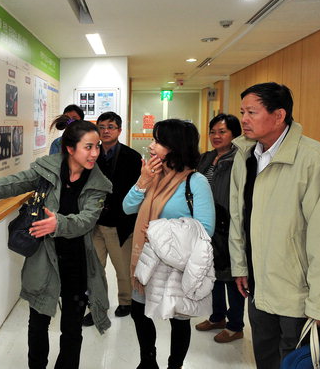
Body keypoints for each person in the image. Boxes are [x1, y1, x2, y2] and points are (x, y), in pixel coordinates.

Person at [0, 120, 112, 369]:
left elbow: (87, 220)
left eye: (97, 146)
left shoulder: (98, 183)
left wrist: (58, 224)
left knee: (72, 328)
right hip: (43, 259)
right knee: (38, 323)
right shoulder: (47, 170)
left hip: (77, 261)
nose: (95, 153)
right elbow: (15, 182)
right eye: (88, 147)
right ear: (70, 148)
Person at [228, 82, 320, 367]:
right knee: (265, 358)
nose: (244, 119)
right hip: (258, 288)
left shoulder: (315, 159)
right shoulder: (245, 155)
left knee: (295, 361)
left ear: (279, 116)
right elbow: (239, 216)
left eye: (252, 112)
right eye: (242, 112)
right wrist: (240, 266)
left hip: (297, 294)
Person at [123, 119, 215, 369]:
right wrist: (142, 181)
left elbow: (205, 229)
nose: (151, 146)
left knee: (178, 319)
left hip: (176, 265)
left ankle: (175, 365)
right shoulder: (152, 175)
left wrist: (159, 231)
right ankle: (148, 360)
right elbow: (128, 207)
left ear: (175, 147)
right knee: (139, 312)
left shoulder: (195, 181)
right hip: (147, 260)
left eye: (158, 141)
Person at [82, 112, 142, 327]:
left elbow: (138, 190)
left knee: (123, 268)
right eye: (102, 127)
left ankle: (126, 301)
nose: (106, 131)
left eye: (111, 127)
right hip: (94, 223)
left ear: (119, 130)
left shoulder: (132, 157)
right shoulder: (90, 153)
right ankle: (97, 307)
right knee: (95, 270)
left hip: (120, 223)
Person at [195, 114, 245, 343]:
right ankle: (217, 317)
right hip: (208, 225)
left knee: (233, 276)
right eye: (213, 131)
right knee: (212, 274)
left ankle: (235, 326)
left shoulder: (240, 159)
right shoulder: (206, 158)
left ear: (234, 134)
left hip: (230, 225)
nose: (216, 136)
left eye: (222, 132)